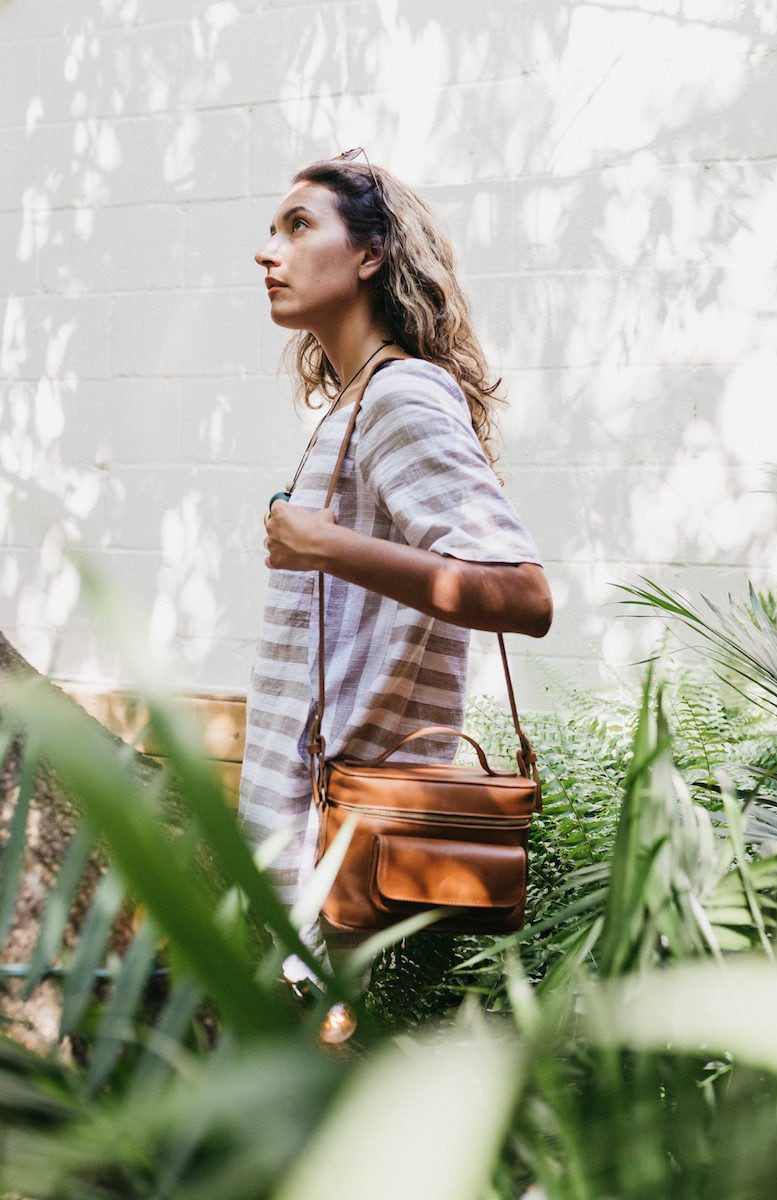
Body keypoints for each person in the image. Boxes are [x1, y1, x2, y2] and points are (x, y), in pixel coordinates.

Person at [238, 149, 552, 1027]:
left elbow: (523, 596)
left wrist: (330, 544)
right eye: (271, 230)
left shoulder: (400, 396)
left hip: (350, 863)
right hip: (311, 847)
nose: (270, 251)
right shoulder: (352, 404)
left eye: (300, 226)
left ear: (371, 254)